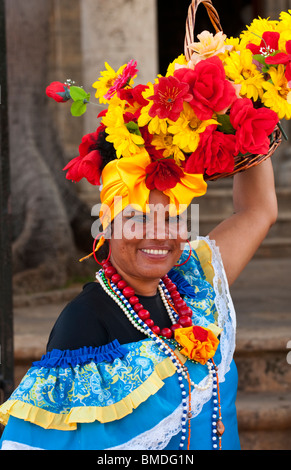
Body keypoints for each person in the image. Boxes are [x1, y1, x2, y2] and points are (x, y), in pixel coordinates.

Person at [0, 49, 280, 450]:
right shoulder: (83, 325)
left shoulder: (192, 282)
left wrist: (239, 103)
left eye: (172, 218)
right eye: (136, 218)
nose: (158, 234)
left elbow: (258, 210)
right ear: (105, 226)